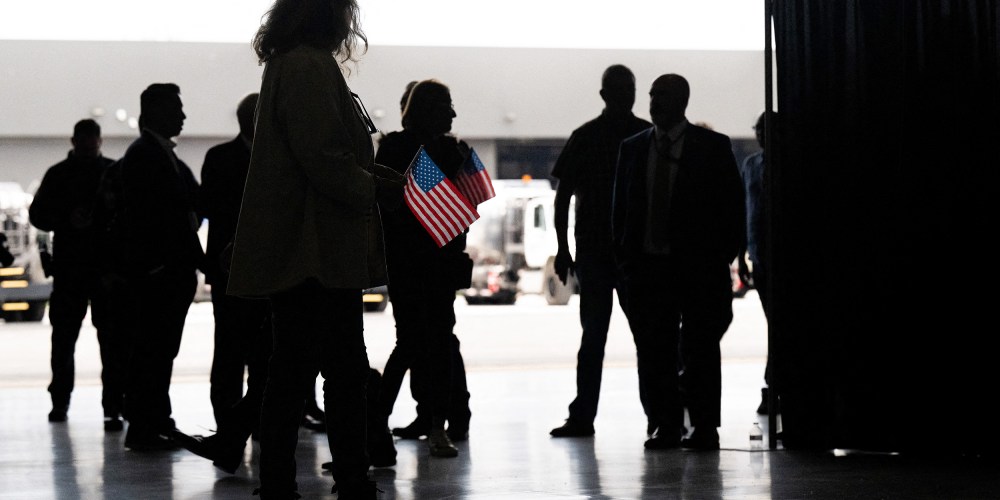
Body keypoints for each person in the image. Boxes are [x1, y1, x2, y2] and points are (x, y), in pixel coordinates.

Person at [226, 0, 405, 497]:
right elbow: (324, 159)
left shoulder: (290, 64)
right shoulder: (309, 67)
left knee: (295, 367)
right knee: (336, 371)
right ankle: (345, 474)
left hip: (309, 251)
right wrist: (373, 188)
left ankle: (286, 478)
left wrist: (368, 177)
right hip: (317, 252)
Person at [611, 74, 744, 450]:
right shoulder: (633, 148)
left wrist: (721, 256)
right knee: (657, 351)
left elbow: (732, 208)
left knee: (701, 350)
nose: (653, 103)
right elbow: (620, 212)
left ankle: (704, 427)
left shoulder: (712, 147)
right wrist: (626, 262)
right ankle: (665, 426)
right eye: (652, 96)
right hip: (649, 268)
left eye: (662, 97)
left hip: (698, 267)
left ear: (683, 101)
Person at [548, 65, 652, 438]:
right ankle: (656, 417)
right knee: (645, 338)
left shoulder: (586, 136)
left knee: (594, 338)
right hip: (633, 254)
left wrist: (563, 248)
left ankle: (583, 416)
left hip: (596, 252)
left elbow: (562, 199)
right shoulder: (645, 135)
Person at [374, 79, 474, 458]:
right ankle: (431, 425)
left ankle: (386, 422)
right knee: (426, 343)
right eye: (445, 105)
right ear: (428, 109)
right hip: (421, 261)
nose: (453, 113)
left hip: (423, 262)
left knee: (418, 343)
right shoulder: (422, 150)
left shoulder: (401, 148)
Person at [117, 83, 204, 452]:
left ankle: (152, 420)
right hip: (160, 276)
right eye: (176, 108)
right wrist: (159, 266)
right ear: (156, 112)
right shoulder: (148, 157)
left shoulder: (153, 154)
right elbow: (155, 219)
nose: (183, 116)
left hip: (164, 273)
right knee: (154, 351)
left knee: (156, 351)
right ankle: (146, 423)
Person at [28, 119, 124, 431]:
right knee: (104, 342)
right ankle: (111, 406)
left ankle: (65, 402)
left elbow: (39, 216)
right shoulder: (111, 172)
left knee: (71, 340)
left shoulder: (59, 175)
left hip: (75, 269)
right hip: (99, 270)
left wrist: (65, 220)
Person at [197, 93, 272, 429]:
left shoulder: (220, 157)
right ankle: (229, 422)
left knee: (258, 352)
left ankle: (251, 420)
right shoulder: (270, 160)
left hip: (252, 271)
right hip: (237, 271)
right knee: (230, 351)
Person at [738, 111, 777, 415]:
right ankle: (772, 384)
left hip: (776, 256)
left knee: (777, 324)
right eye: (759, 130)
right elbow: (743, 212)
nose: (761, 135)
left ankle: (772, 383)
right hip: (759, 255)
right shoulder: (751, 165)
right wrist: (741, 256)